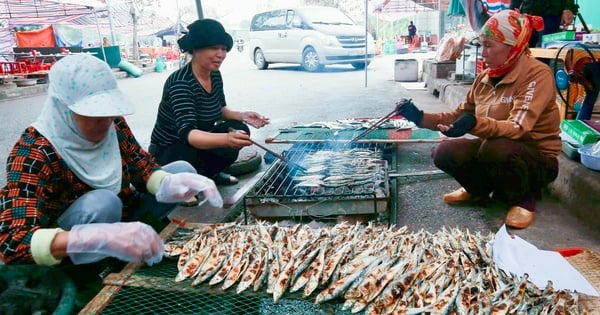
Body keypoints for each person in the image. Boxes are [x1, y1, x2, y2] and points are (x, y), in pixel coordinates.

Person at [0, 54, 223, 266]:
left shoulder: (112, 123)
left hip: (124, 215)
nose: (106, 121)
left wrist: (169, 184)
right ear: (63, 109)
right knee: (104, 203)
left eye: (108, 112)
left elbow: (142, 166)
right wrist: (97, 237)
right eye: (93, 114)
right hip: (75, 239)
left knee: (181, 170)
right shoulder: (33, 152)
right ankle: (90, 267)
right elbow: (12, 242)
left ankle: (131, 240)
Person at [396, 9, 560, 229]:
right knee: (443, 152)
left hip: (536, 158)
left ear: (514, 47)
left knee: (495, 148)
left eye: (489, 46)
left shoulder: (537, 75)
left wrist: (475, 124)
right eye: (481, 45)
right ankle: (478, 191)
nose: (483, 53)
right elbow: (458, 115)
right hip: (495, 150)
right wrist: (419, 117)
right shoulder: (485, 77)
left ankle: (524, 199)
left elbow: (518, 128)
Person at [149, 19, 270, 186]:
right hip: (172, 149)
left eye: (223, 49)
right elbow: (189, 134)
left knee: (240, 129)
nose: (221, 54)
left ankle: (210, 174)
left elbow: (220, 109)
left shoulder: (214, 74)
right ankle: (182, 182)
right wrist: (226, 139)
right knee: (221, 141)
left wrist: (243, 115)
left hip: (199, 140)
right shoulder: (181, 83)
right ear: (196, 49)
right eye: (214, 48)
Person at [510, 0, 579, 47]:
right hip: (527, 11)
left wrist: (568, 9)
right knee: (522, 47)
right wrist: (511, 12)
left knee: (543, 47)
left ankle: (541, 68)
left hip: (551, 12)